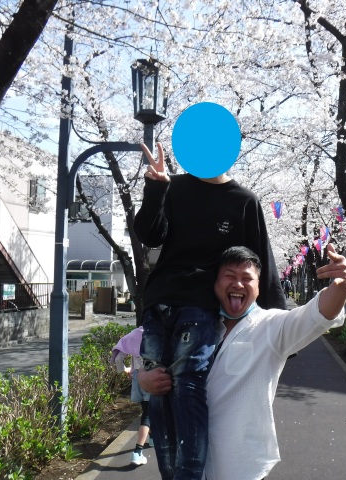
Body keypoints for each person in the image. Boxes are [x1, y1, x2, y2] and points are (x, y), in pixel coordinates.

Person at [133, 142, 286, 480]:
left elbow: (260, 262)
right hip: (159, 301)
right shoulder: (174, 187)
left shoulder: (244, 201)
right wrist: (155, 188)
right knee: (158, 389)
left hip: (200, 305)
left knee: (188, 385)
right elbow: (150, 235)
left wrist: (278, 323)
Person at [142, 243, 346, 480]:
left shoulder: (272, 326)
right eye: (229, 276)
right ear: (215, 283)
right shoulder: (192, 324)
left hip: (242, 468)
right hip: (187, 466)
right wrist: (145, 378)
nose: (238, 284)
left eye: (247, 278)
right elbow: (154, 358)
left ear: (258, 286)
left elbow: (318, 314)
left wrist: (342, 286)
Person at [110, 326, 153, 466]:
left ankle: (152, 438)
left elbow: (119, 357)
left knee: (146, 410)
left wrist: (124, 369)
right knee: (148, 414)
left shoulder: (135, 334)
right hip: (152, 377)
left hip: (137, 378)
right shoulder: (157, 332)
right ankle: (137, 452)